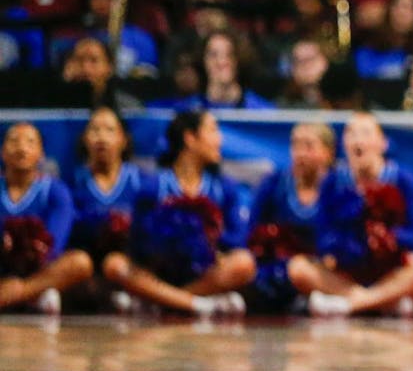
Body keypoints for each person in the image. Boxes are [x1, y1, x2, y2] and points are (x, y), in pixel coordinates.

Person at [288, 113, 413, 317]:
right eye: (351, 134)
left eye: (365, 133)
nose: (358, 140)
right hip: (347, 269)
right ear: (344, 144)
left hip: (391, 269)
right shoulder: (333, 181)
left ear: (382, 143)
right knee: (298, 268)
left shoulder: (403, 180)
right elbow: (322, 236)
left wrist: (388, 239)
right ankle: (381, 300)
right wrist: (347, 245)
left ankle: (353, 303)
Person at [104, 111, 254, 317]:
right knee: (114, 264)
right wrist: (165, 242)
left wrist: (204, 241)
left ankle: (164, 302)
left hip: (204, 272)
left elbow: (238, 238)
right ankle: (196, 304)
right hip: (159, 271)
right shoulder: (154, 187)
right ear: (190, 138)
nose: (220, 139)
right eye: (212, 130)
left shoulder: (223, 188)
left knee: (244, 263)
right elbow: (136, 242)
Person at [0, 123, 93, 313]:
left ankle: (23, 293)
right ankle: (33, 297)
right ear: (2, 152)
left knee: (80, 262)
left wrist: (31, 252)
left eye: (30, 142)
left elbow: (54, 244)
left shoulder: (55, 190)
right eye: (14, 141)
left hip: (41, 270)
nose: (21, 148)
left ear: (41, 154)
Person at [247, 123, 336, 313]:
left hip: (325, 270)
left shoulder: (341, 188)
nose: (300, 153)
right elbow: (251, 232)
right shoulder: (274, 184)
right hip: (281, 271)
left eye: (309, 146)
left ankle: (350, 299)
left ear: (328, 153)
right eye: (295, 145)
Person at [66, 107, 144, 309]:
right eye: (94, 130)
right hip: (88, 265)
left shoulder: (140, 181)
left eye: (109, 130)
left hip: (129, 262)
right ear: (84, 139)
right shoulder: (72, 181)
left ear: (123, 139)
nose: (101, 137)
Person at [168, 29, 272, 111]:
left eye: (229, 54)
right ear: (203, 61)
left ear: (238, 60)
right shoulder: (186, 112)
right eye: (213, 55)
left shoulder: (263, 112)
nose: (221, 62)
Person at [61, 37, 144, 111]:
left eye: (94, 60)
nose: (86, 68)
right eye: (79, 60)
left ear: (109, 67)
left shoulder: (127, 108)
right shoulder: (56, 104)